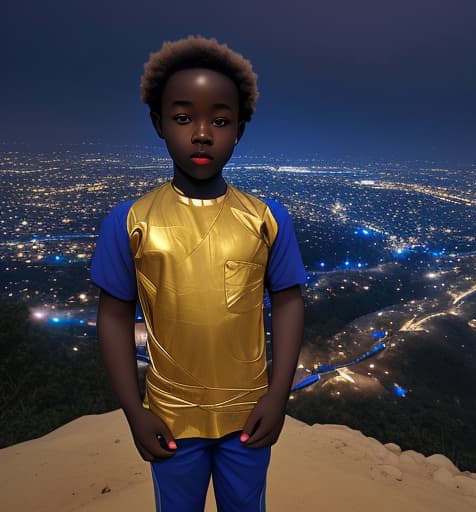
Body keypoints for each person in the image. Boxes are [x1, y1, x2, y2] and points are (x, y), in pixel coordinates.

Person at [90, 35, 306, 512]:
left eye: (221, 120)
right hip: (169, 417)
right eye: (184, 117)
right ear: (159, 124)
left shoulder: (268, 219)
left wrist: (278, 395)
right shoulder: (130, 221)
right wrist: (134, 411)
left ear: (239, 129)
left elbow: (289, 301)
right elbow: (114, 315)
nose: (203, 133)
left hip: (249, 414)